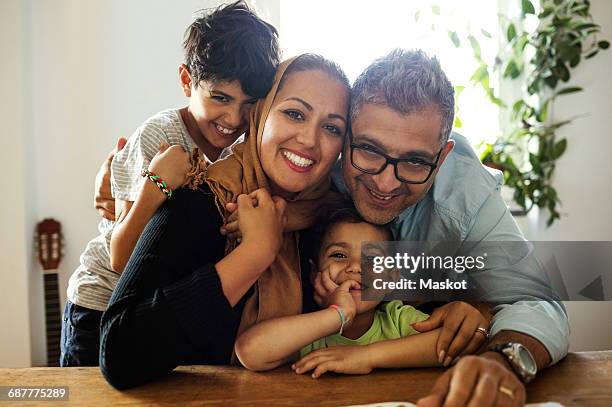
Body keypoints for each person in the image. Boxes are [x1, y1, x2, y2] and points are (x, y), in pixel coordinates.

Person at [98, 54, 351, 390]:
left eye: (332, 127)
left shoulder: (333, 218)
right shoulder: (202, 198)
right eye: (294, 113)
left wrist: (447, 303)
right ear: (260, 115)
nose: (309, 139)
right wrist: (257, 253)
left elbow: (398, 301)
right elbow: (119, 354)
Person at [332, 49, 569, 406]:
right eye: (368, 150)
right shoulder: (314, 164)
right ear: (345, 135)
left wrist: (502, 360)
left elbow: (537, 301)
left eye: (414, 161)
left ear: (442, 157)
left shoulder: (465, 190)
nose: (384, 183)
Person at [60, 1, 280, 367]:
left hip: (157, 307)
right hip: (98, 306)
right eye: (220, 98)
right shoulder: (159, 137)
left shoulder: (243, 149)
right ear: (186, 81)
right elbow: (120, 257)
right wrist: (156, 184)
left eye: (249, 105)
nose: (233, 118)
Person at [235, 207, 489, 376]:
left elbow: (457, 343)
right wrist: (338, 314)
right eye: (339, 255)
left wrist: (366, 356)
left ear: (392, 277)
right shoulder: (308, 331)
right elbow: (250, 351)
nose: (355, 267)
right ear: (315, 274)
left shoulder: (397, 320)